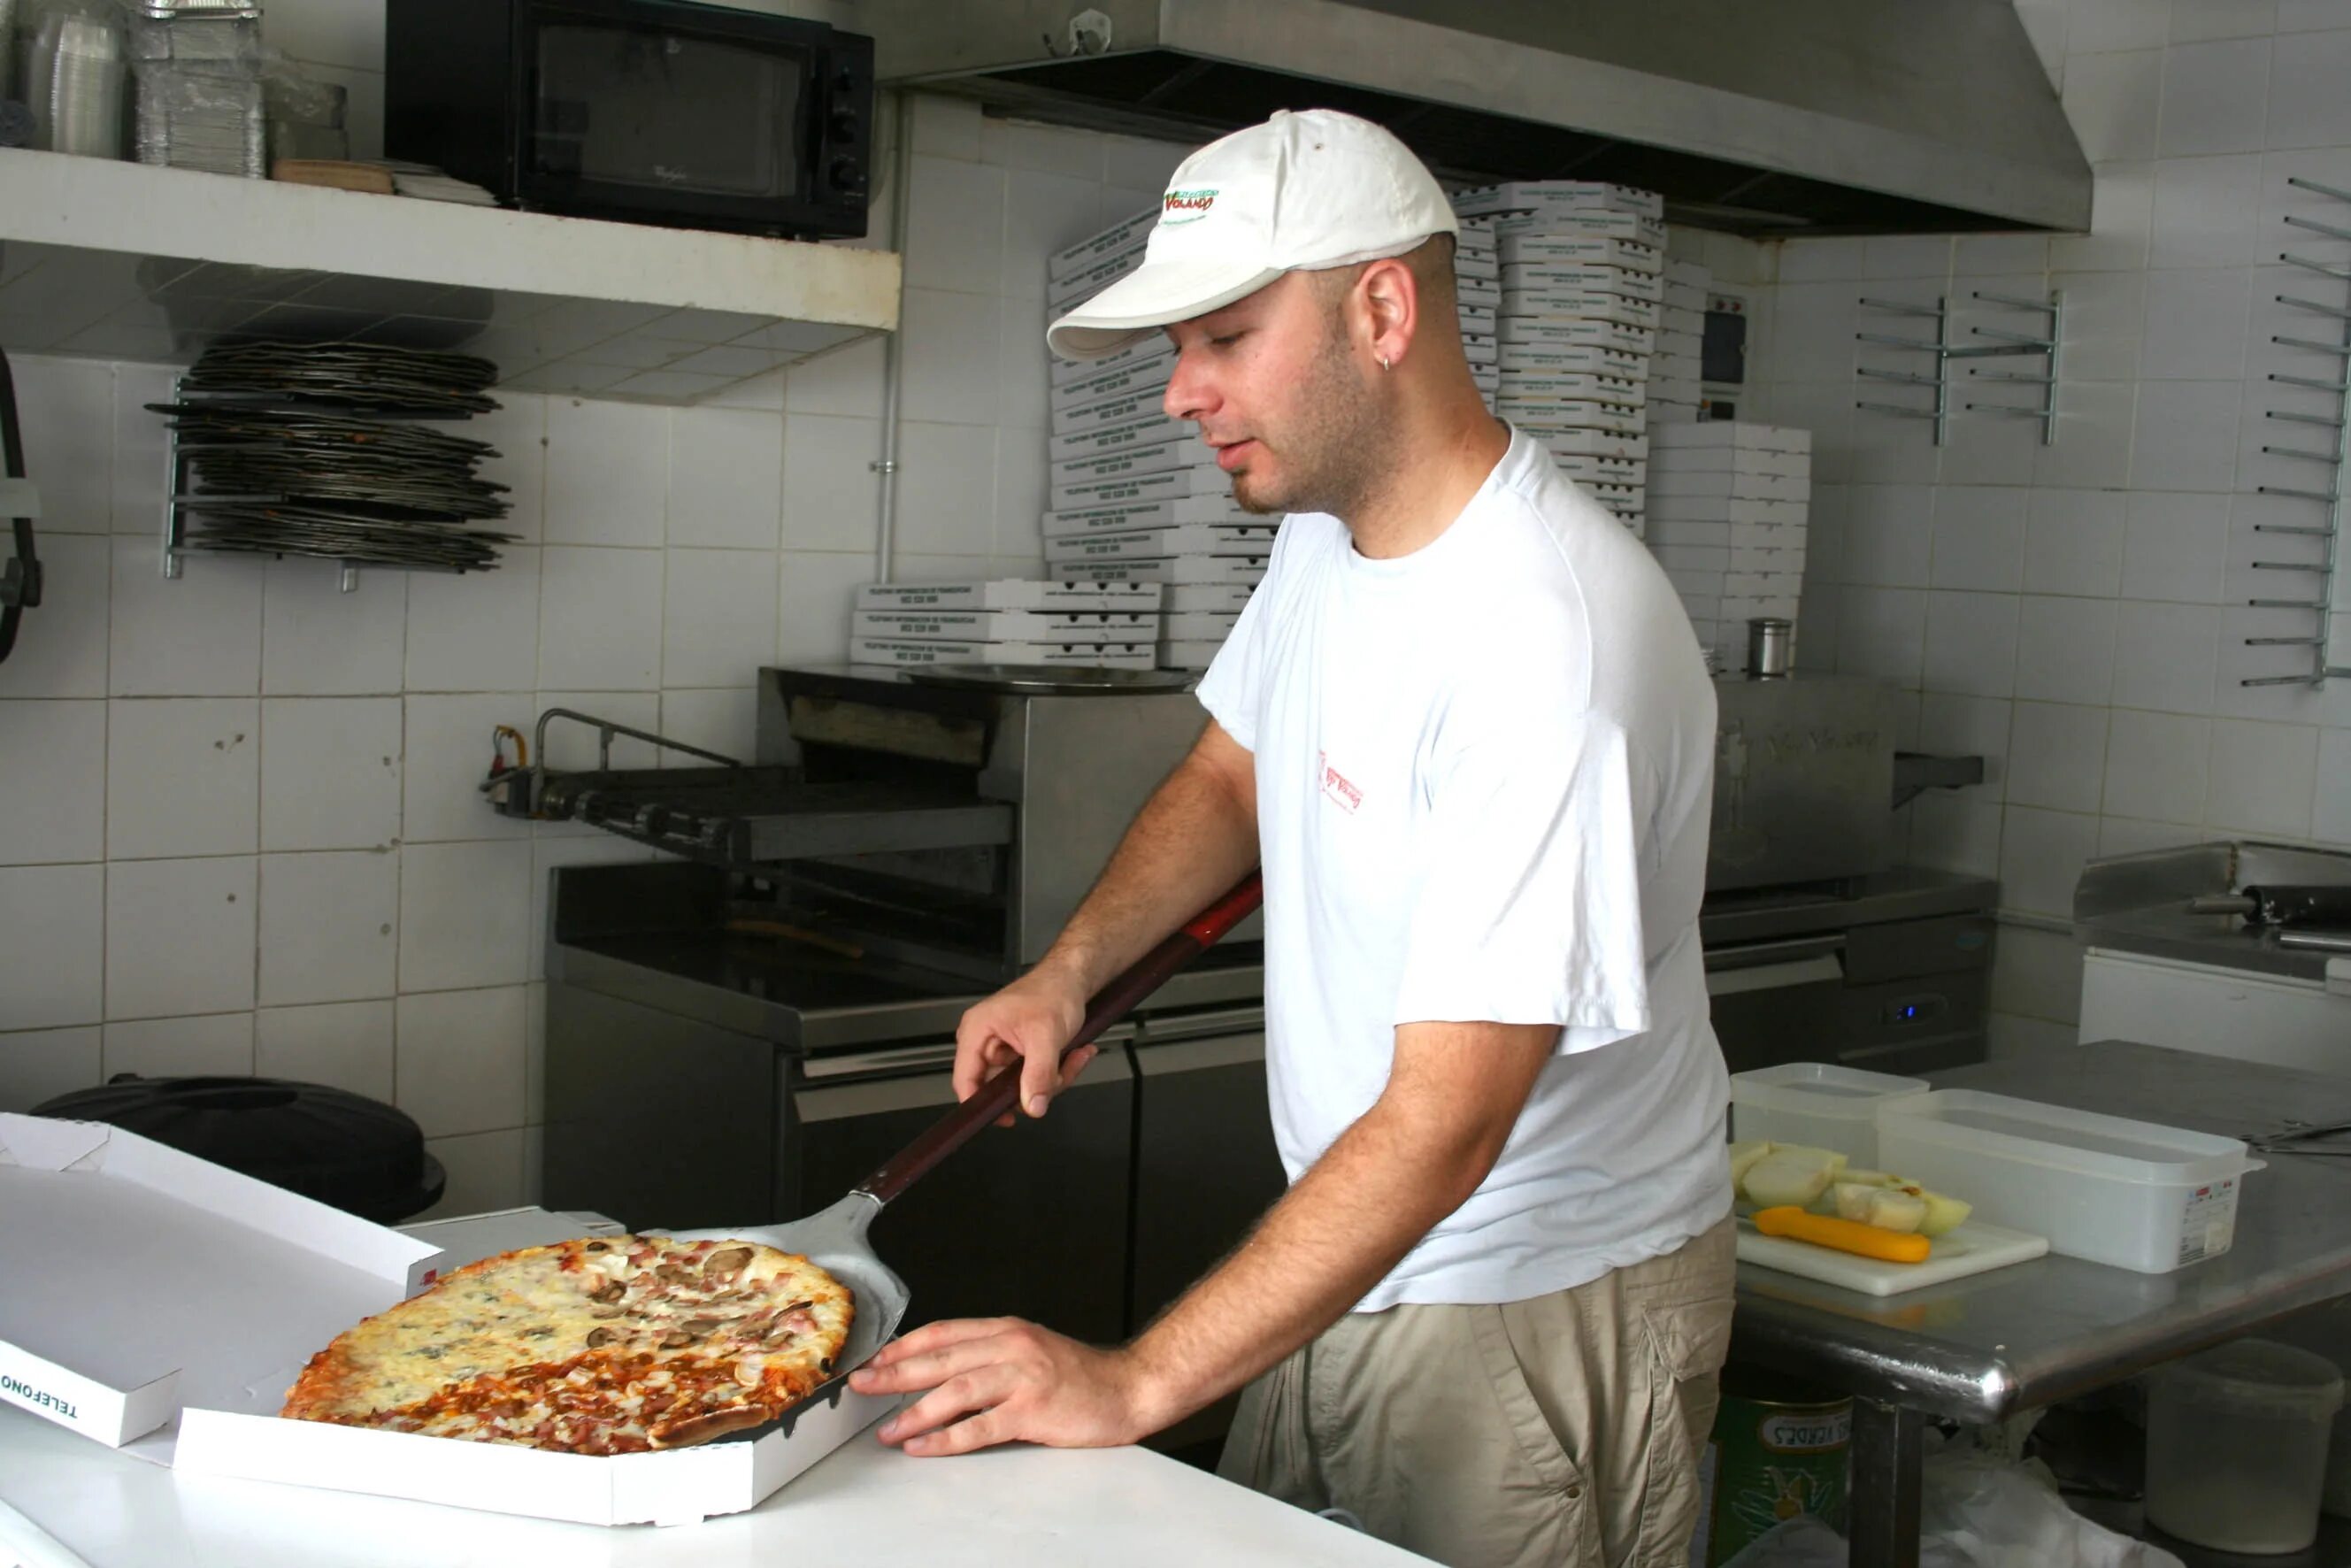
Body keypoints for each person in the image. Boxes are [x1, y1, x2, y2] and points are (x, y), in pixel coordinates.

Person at [849, 107, 1733, 1568]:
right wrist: (1068, 972)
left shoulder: (1540, 642)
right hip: (1353, 1247)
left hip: (1519, 1304)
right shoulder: (1333, 527)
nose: (1178, 394)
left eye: (1224, 339)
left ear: (1380, 308)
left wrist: (1132, 1380)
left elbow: (1445, 1126)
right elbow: (1228, 772)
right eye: (1176, 351)